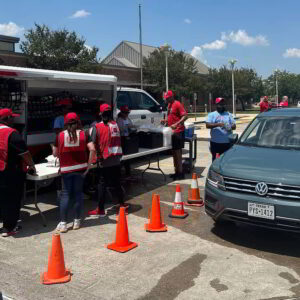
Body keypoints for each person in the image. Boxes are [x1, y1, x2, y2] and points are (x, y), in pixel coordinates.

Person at [52, 112, 96, 232]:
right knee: (78, 194)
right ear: (78, 122)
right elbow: (92, 149)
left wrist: (54, 148)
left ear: (65, 123)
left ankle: (63, 223)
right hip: (80, 169)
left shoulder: (59, 135)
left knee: (65, 195)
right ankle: (77, 221)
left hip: (66, 170)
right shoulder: (84, 134)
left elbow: (55, 154)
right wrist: (88, 165)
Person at [0, 108, 36, 237]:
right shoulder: (12, 134)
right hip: (10, 173)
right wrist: (32, 165)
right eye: (12, 117)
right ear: (7, 119)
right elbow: (25, 153)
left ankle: (4, 222)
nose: (14, 120)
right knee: (12, 200)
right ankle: (10, 228)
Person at [88, 103, 126, 217]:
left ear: (100, 113)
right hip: (116, 159)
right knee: (116, 182)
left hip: (105, 160)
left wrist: (92, 160)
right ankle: (121, 204)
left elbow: (93, 144)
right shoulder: (115, 125)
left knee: (102, 184)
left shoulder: (97, 127)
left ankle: (100, 209)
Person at [161, 90, 188, 180]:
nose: (167, 100)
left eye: (168, 98)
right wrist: (165, 121)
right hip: (171, 132)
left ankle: (180, 173)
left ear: (172, 97)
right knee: (173, 152)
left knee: (178, 153)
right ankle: (176, 171)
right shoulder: (169, 105)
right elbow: (171, 117)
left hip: (178, 131)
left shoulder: (177, 104)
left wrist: (177, 124)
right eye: (166, 98)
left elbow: (185, 116)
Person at [117, 105, 136, 177]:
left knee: (128, 156)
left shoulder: (127, 118)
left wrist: (132, 128)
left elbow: (131, 126)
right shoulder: (119, 120)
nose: (126, 114)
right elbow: (121, 129)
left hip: (128, 138)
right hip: (122, 139)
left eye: (127, 113)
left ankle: (128, 172)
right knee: (122, 157)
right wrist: (128, 128)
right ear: (121, 113)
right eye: (125, 113)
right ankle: (120, 172)